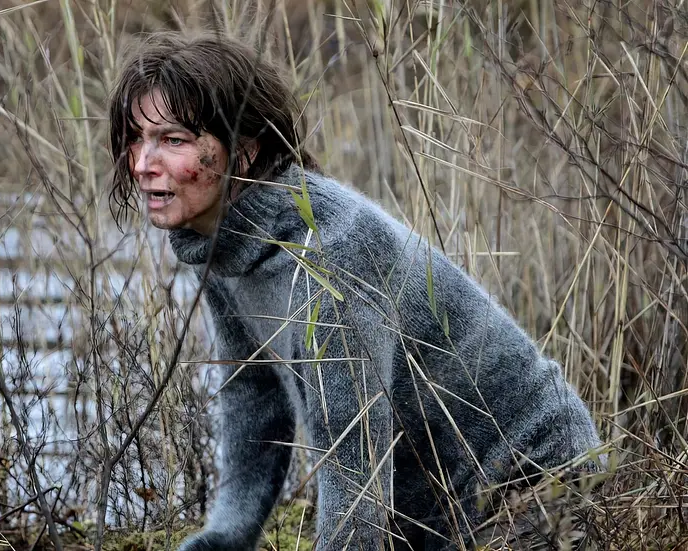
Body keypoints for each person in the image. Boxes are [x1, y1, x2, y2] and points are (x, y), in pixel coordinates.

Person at [107, 30, 604, 551]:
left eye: (173, 140)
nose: (141, 164)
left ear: (246, 152)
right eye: (137, 138)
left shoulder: (331, 252)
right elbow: (253, 389)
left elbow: (353, 453)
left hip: (534, 487)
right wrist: (226, 536)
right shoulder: (217, 239)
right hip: (429, 511)